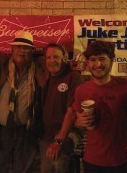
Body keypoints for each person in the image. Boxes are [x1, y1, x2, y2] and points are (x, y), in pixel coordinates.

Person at [73, 40, 127, 173]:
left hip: (121, 160)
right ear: (88, 62)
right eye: (93, 60)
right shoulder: (81, 90)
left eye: (102, 59)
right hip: (91, 160)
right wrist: (78, 122)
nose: (97, 64)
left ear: (112, 60)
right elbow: (78, 123)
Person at [0, 30, 43, 173]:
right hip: (2, 130)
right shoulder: (1, 64)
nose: (22, 51)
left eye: (26, 48)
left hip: (26, 130)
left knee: (23, 168)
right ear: (11, 49)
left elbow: (58, 62)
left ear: (31, 51)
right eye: (18, 47)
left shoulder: (39, 68)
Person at [40, 43, 83, 173]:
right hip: (47, 134)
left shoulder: (73, 76)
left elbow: (72, 111)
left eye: (56, 57)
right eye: (48, 57)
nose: (52, 61)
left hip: (67, 133)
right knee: (47, 169)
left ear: (64, 58)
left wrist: (59, 141)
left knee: (58, 166)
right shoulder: (47, 77)